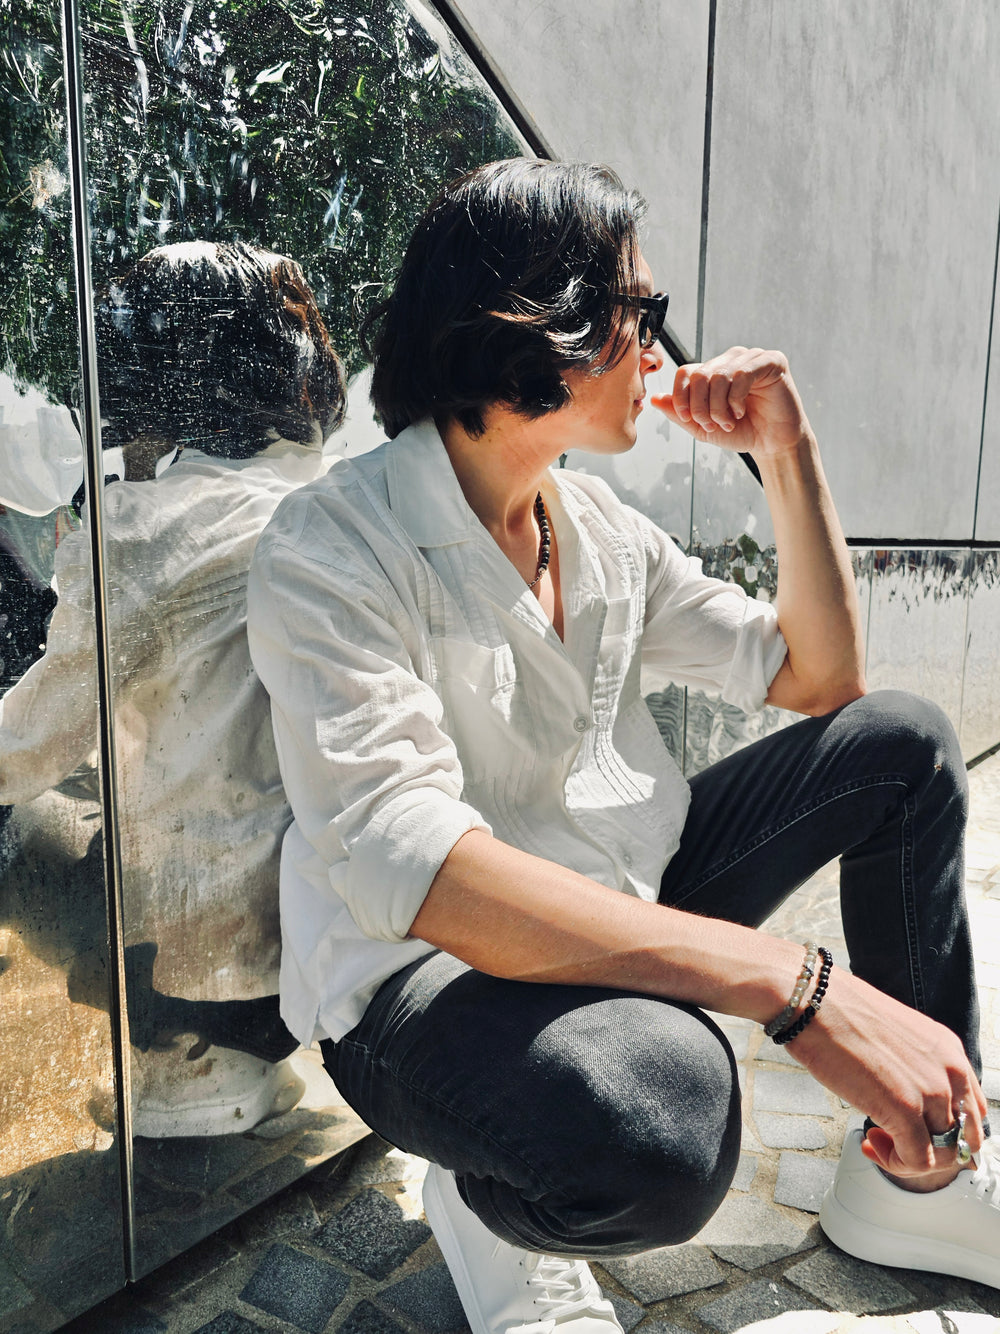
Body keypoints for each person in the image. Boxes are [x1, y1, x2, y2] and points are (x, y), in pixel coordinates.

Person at [246, 160, 998, 1330]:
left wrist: (786, 453)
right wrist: (799, 989)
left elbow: (818, 677)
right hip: (415, 983)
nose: (657, 344)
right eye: (637, 311)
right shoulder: (333, 545)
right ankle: (495, 1202)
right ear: (538, 323)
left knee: (900, 741)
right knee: (667, 1110)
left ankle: (918, 1173)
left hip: (611, 884)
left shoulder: (592, 522)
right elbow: (423, 871)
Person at [1, 239, 347, 1136]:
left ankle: (181, 1059)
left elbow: (28, 745)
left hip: (195, 959)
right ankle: (242, 1062)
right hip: (317, 937)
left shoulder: (145, 530)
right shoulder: (326, 504)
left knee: (25, 821)